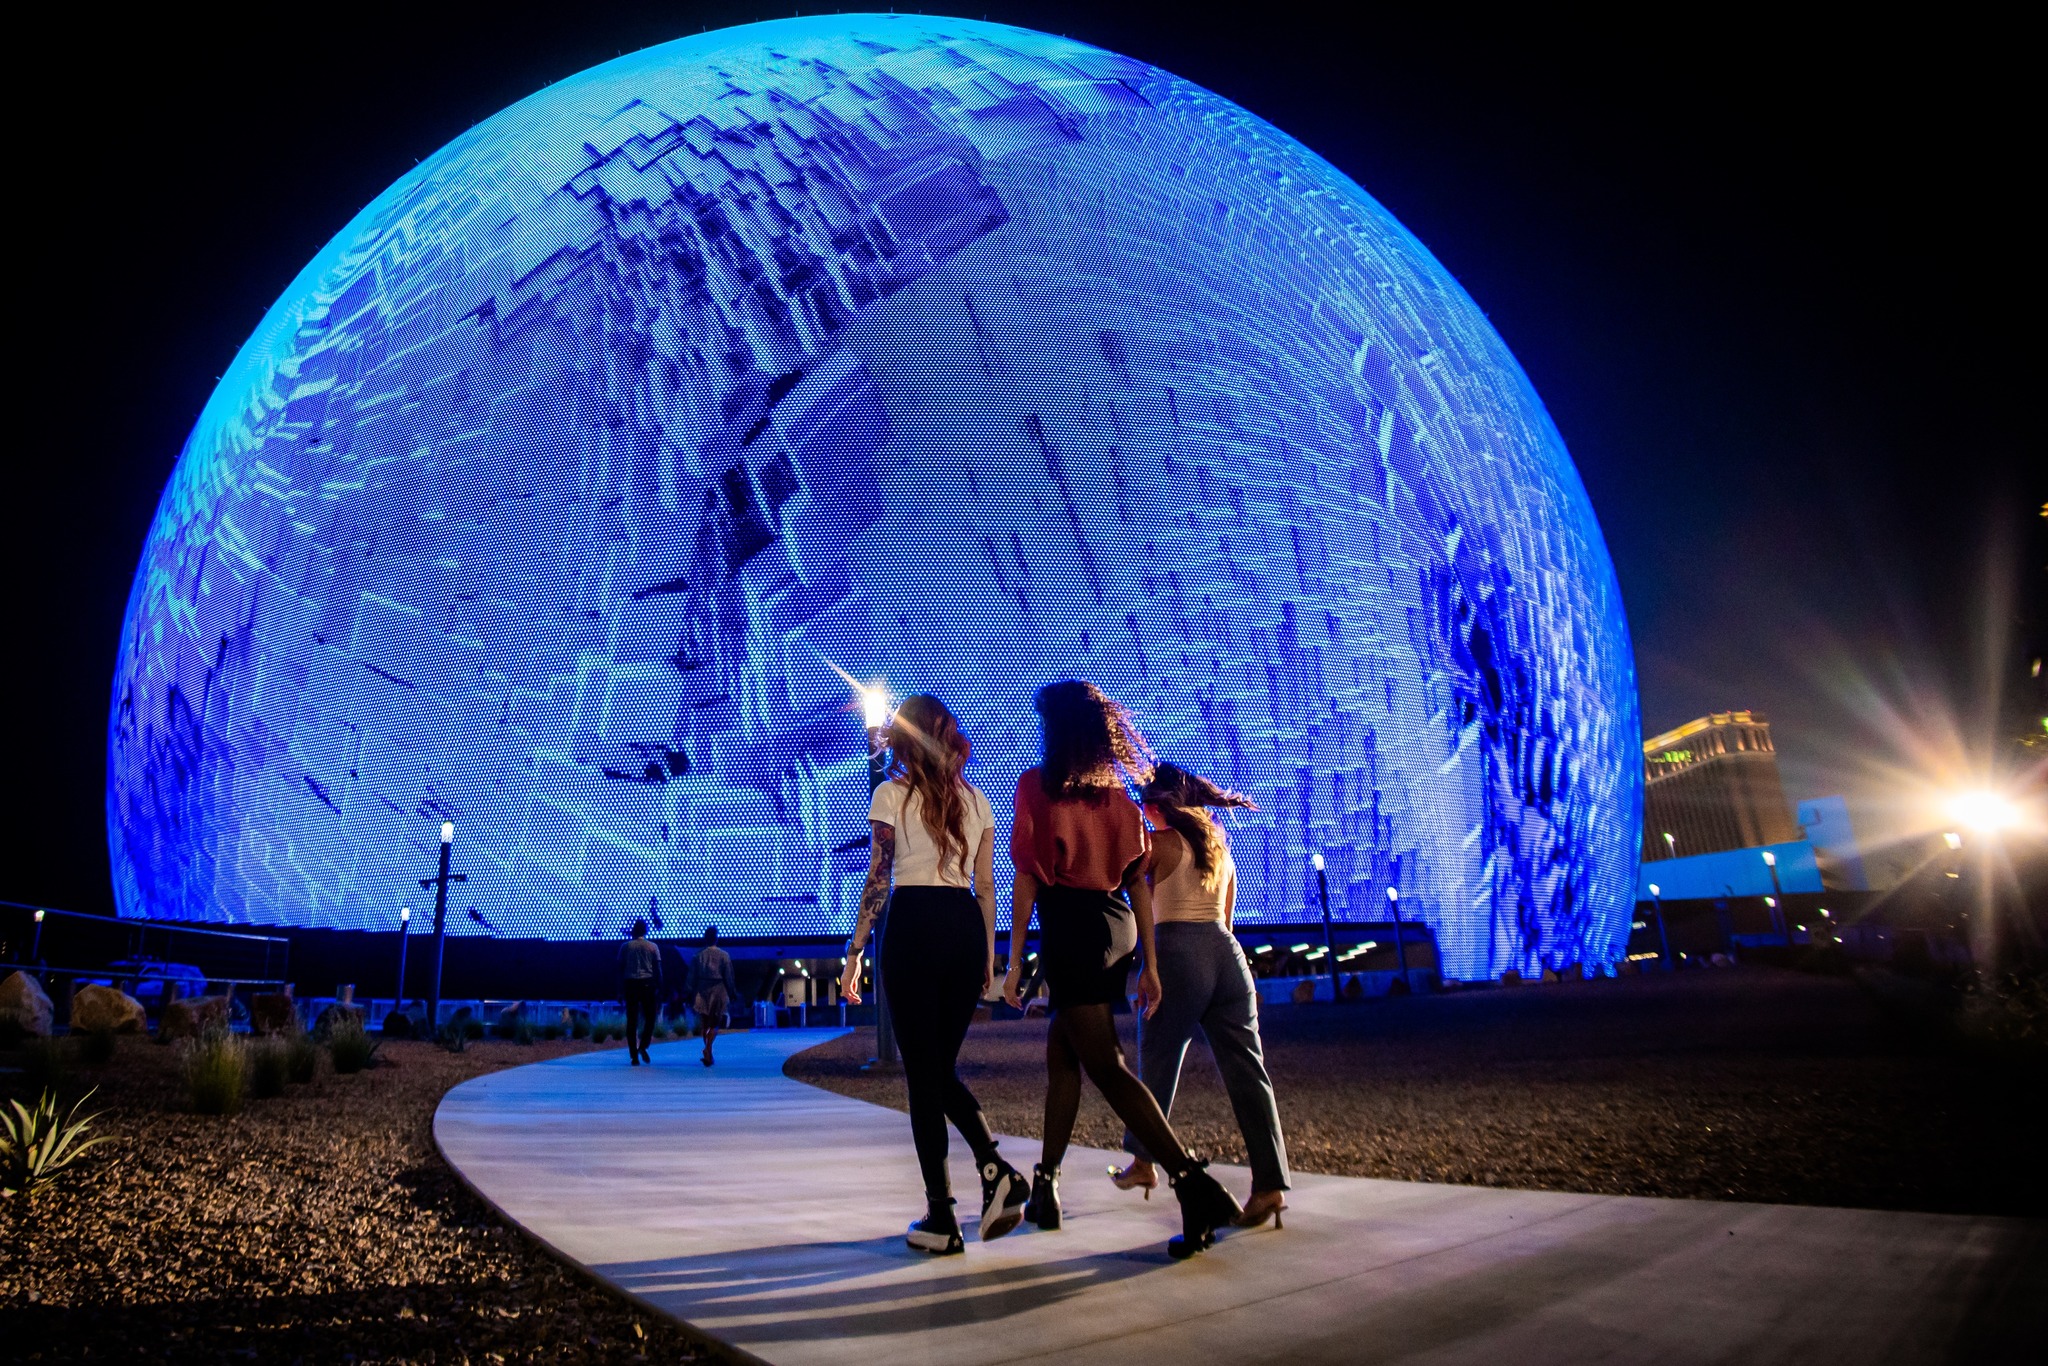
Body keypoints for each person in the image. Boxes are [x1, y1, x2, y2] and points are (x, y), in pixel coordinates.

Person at [1001, 681, 1243, 1258]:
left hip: (1073, 928)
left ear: (1056, 731)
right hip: (1116, 927)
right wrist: (1150, 965)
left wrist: (1013, 963)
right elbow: (1137, 882)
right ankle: (1047, 1187)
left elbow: (1029, 878)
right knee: (1063, 1055)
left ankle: (1192, 1182)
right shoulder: (1119, 801)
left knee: (1105, 1065)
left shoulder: (1036, 787)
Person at [841, 695, 1029, 1255]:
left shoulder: (890, 794)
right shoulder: (978, 801)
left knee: (925, 1075)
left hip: (916, 926)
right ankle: (988, 1177)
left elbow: (879, 879)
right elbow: (988, 885)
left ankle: (946, 1213)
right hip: (965, 928)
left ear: (905, 739)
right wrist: (990, 957)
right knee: (935, 1070)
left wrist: (855, 951)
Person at [1109, 764, 1291, 1228]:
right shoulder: (1219, 846)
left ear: (1156, 804)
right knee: (1250, 1073)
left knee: (1158, 1058)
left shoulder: (1157, 843)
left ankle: (1145, 1162)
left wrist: (1150, 968)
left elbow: (1139, 906)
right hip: (1226, 957)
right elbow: (1226, 919)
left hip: (1177, 951)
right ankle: (1270, 1185)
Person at [687, 925, 738, 1066]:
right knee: (715, 1024)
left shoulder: (698, 956)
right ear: (716, 939)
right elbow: (728, 977)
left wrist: (688, 992)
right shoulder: (724, 956)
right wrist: (732, 992)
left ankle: (708, 1052)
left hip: (702, 990)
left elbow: (691, 977)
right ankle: (708, 1049)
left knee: (704, 1023)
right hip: (718, 990)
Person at [618, 918, 663, 1065]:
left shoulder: (625, 947)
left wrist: (619, 990)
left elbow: (619, 969)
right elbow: (658, 970)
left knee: (632, 1019)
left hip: (630, 983)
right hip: (647, 983)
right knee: (650, 1017)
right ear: (646, 931)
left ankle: (633, 1055)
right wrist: (659, 988)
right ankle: (643, 1046)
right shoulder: (653, 947)